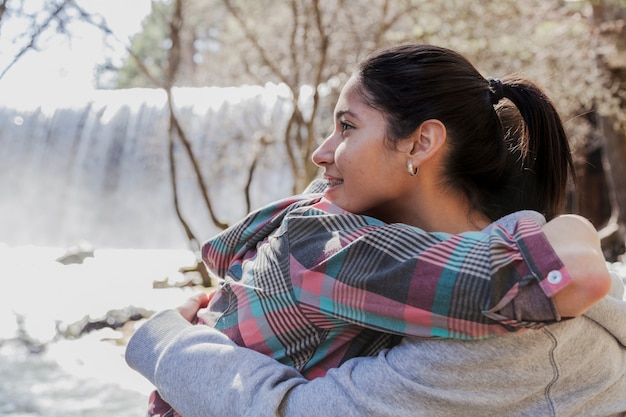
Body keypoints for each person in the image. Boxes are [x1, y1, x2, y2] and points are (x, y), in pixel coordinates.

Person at [126, 44, 624, 416]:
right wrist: (571, 229)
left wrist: (166, 340)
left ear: (421, 142)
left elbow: (556, 280)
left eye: (347, 126)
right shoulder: (328, 238)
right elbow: (559, 276)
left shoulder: (335, 243)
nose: (320, 153)